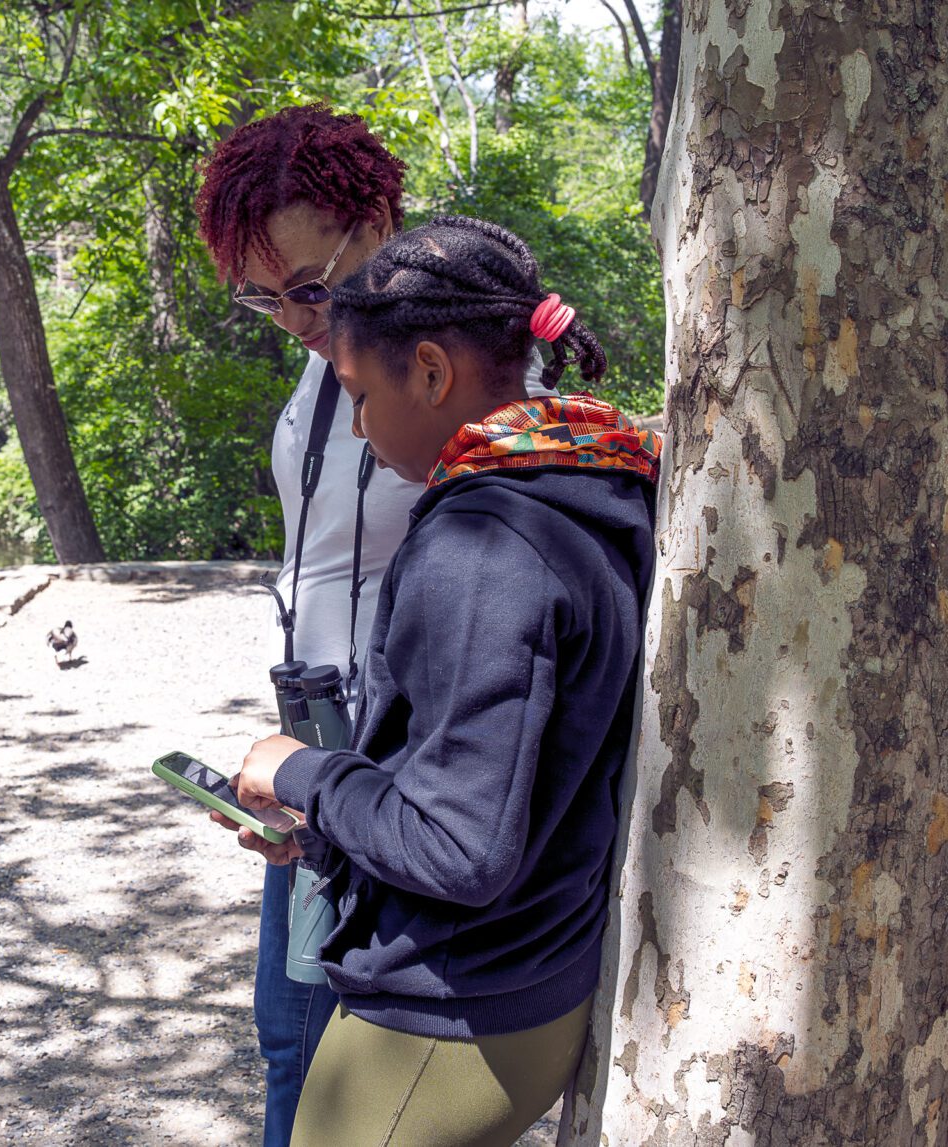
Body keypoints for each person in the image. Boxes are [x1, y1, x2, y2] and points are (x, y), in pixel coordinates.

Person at [232, 215, 662, 1147]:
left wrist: (304, 774)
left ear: (430, 372)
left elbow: (462, 849)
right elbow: (507, 776)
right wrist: (326, 834)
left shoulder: (483, 548)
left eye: (357, 393)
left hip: (455, 1005)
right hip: (522, 969)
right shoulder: (591, 478)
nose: (354, 423)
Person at [193, 104, 425, 1147]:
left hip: (403, 780)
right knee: (289, 1040)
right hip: (317, 762)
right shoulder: (321, 349)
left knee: (372, 1068)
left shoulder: (449, 358)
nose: (290, 318)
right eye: (260, 296)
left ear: (375, 217)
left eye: (303, 287)